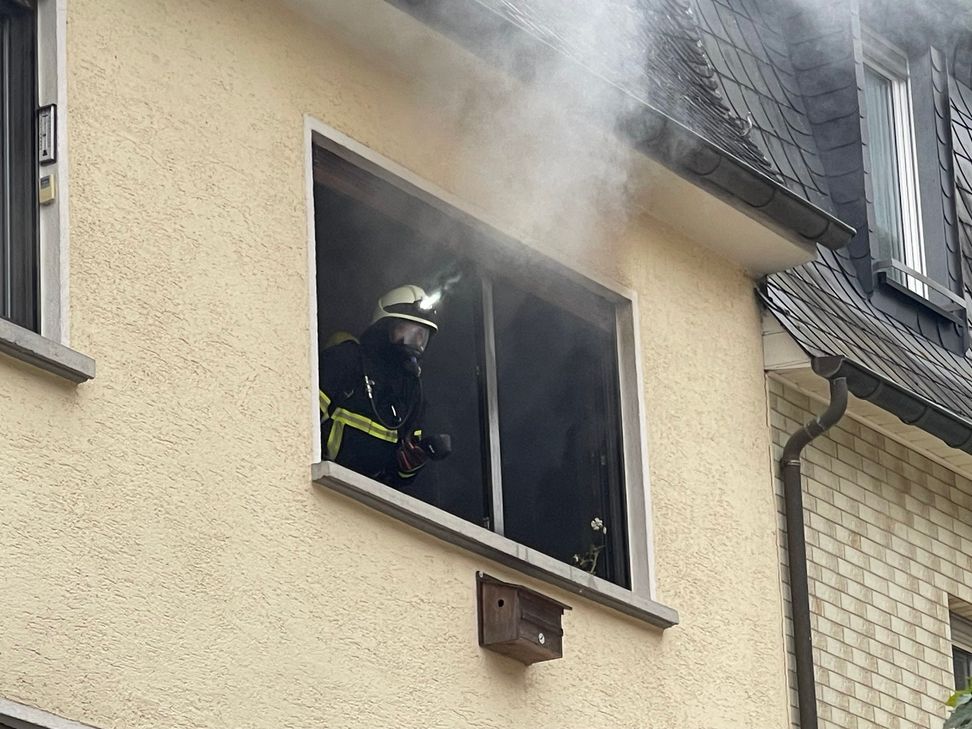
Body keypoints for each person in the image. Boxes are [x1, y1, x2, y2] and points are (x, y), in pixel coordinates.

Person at [319, 285, 450, 487]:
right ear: (383, 327)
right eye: (408, 331)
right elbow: (301, 423)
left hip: (367, 497)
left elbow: (398, 476)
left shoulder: (411, 392)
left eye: (421, 336)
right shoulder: (346, 360)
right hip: (326, 485)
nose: (414, 342)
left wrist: (410, 464)